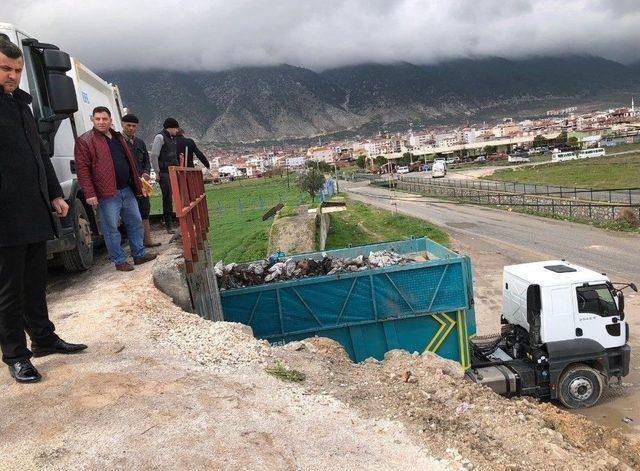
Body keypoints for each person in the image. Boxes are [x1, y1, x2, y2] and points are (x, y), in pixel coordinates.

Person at [0, 38, 87, 383]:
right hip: (4, 217)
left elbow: (39, 156)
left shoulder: (22, 105)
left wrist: (54, 194)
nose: (13, 76)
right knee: (8, 291)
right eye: (5, 68)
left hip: (34, 211)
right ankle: (16, 356)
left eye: (17, 70)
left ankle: (44, 339)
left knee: (35, 283)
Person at [74, 106, 157, 271]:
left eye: (104, 119)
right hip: (107, 193)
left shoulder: (118, 137)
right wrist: (90, 193)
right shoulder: (85, 141)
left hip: (127, 189)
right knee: (111, 228)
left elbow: (129, 160)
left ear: (110, 120)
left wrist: (137, 180)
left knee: (135, 222)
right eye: (97, 119)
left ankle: (139, 255)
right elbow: (82, 170)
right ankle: (119, 261)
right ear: (92, 120)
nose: (101, 122)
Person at [121, 113, 160, 247]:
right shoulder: (119, 142)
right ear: (123, 125)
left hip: (142, 184)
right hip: (127, 185)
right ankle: (136, 245)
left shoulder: (140, 142)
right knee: (130, 215)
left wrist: (145, 173)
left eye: (134, 126)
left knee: (145, 210)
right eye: (128, 125)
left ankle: (148, 240)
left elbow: (146, 162)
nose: (131, 128)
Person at [150, 118, 179, 232]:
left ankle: (173, 221)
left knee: (173, 197)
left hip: (172, 171)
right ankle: (169, 225)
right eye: (176, 128)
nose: (177, 130)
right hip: (164, 172)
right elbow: (154, 155)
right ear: (170, 128)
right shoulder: (160, 137)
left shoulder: (172, 138)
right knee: (167, 198)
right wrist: (157, 172)